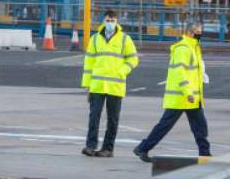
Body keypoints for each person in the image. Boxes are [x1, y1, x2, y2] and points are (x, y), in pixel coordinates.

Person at [133, 24, 211, 161]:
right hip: (182, 97)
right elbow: (179, 73)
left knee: (200, 126)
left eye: (200, 32)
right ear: (189, 33)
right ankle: (142, 148)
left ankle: (205, 153)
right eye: (197, 32)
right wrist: (188, 92)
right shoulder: (183, 49)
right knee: (165, 126)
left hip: (191, 97)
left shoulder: (193, 47)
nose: (199, 35)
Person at [81, 10, 139, 157]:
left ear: (117, 22)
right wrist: (87, 86)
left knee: (112, 119)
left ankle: (108, 148)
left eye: (112, 21)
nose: (110, 23)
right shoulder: (95, 39)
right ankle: (90, 146)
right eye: (108, 20)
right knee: (94, 117)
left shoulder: (125, 39)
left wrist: (122, 71)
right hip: (97, 85)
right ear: (103, 21)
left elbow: (133, 59)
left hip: (115, 86)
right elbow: (89, 64)